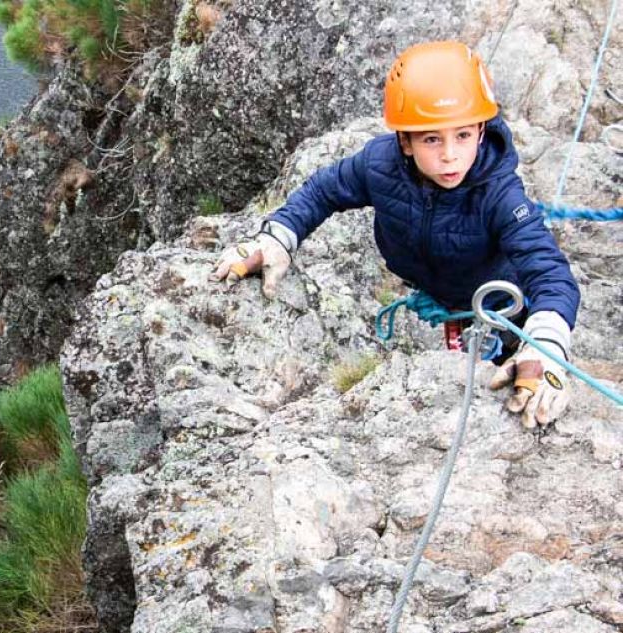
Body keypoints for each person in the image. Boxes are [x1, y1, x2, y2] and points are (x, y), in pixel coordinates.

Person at [211, 40, 580, 429]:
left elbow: (549, 273)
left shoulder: (500, 195)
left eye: (463, 136)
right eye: (432, 139)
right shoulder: (380, 165)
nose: (450, 155)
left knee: (503, 390)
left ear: (482, 132)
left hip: (506, 310)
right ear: (405, 140)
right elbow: (323, 190)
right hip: (450, 297)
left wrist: (546, 347)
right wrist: (278, 238)